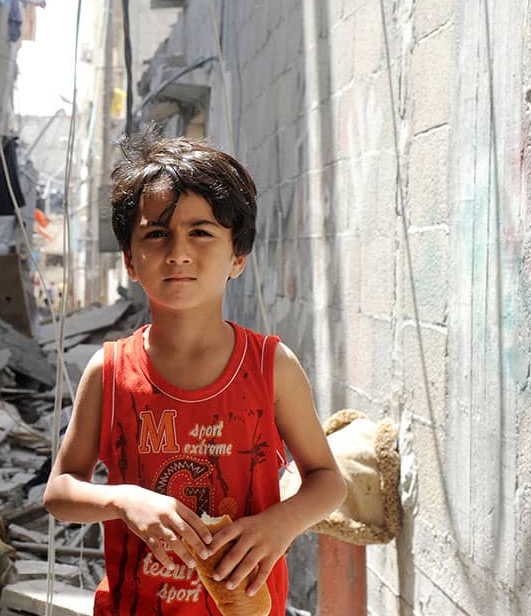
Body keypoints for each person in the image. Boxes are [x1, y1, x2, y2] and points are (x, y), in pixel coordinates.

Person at [43, 131, 346, 614]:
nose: (178, 251)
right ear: (130, 261)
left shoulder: (271, 367)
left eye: (201, 232)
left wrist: (281, 523)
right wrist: (124, 501)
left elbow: (328, 480)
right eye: (157, 233)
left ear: (238, 257)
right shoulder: (110, 372)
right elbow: (60, 492)